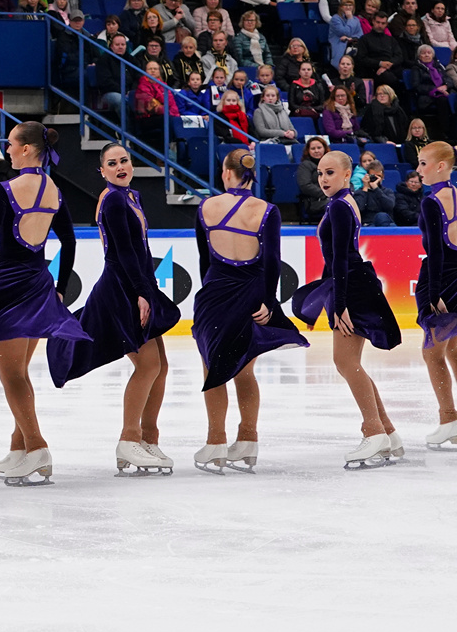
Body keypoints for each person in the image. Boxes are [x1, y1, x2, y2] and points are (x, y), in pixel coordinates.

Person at [46, 145, 182, 475]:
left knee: (160, 366)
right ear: (102, 171)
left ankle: (148, 439)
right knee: (148, 365)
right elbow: (124, 252)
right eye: (112, 163)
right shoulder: (114, 200)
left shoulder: (131, 196)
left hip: (138, 285)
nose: (120, 166)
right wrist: (141, 293)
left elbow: (141, 249)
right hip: (122, 288)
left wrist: (147, 288)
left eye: (124, 161)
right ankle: (129, 439)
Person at [0, 122, 89, 487]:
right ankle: (19, 446)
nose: (7, 149)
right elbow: (69, 241)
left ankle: (38, 447)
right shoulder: (54, 189)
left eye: (10, 143)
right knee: (20, 372)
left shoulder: (4, 190)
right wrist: (60, 288)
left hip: (7, 287)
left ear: (26, 149)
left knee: (12, 376)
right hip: (39, 285)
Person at [191, 149, 309, 475]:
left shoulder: (206, 207)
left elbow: (204, 260)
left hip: (215, 296)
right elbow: (272, 262)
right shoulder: (267, 210)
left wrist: (210, 294)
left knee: (213, 368)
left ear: (227, 173)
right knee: (244, 370)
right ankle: (248, 440)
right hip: (251, 296)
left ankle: (216, 442)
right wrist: (268, 301)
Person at [291, 150, 404, 469]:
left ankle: (374, 431)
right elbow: (334, 260)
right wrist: (325, 301)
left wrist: (339, 304)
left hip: (351, 286)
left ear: (346, 175)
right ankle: (387, 432)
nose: (323, 178)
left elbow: (340, 258)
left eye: (330, 173)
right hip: (350, 283)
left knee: (345, 361)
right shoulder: (339, 203)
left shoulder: (340, 205)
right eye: (320, 173)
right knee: (349, 363)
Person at [415, 143, 457, 451]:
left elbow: (436, 251)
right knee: (454, 350)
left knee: (432, 353)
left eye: (423, 163)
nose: (418, 170)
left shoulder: (432, 202)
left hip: (442, 280)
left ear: (441, 166)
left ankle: (448, 419)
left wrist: (433, 293)